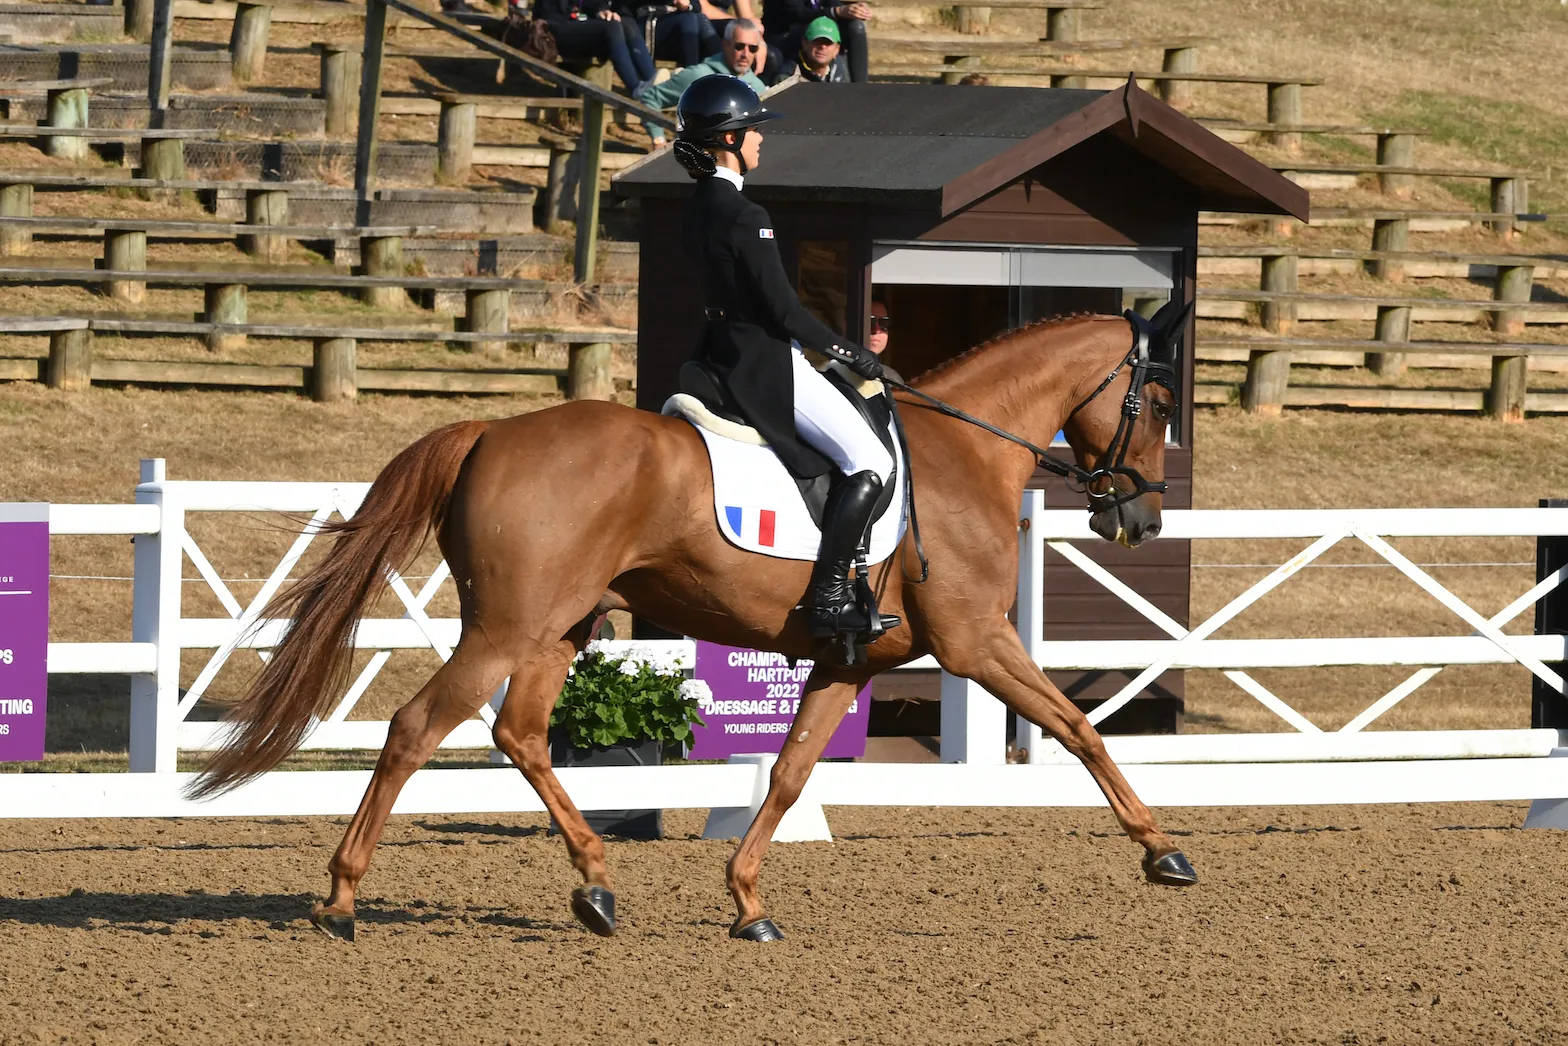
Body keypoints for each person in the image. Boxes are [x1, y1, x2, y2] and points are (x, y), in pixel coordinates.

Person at [673, 75, 897, 647]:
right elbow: (784, 313)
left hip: (717, 355)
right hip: (766, 360)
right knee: (871, 461)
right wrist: (854, 355)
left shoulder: (695, 207)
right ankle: (827, 597)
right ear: (729, 140)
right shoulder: (747, 214)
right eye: (753, 132)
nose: (760, 141)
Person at [640, 18, 768, 144]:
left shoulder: (758, 88)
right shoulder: (698, 75)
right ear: (725, 44)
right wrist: (658, 138)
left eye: (752, 48)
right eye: (739, 46)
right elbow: (650, 98)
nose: (745, 54)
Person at [534, 0, 656, 96]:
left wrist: (601, 11)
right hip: (553, 29)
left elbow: (593, 2)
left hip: (578, 24)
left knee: (626, 22)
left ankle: (656, 87)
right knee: (611, 28)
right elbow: (552, 12)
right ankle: (637, 90)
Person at [760, 0, 869, 83]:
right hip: (785, 34)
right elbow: (798, 12)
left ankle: (861, 88)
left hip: (810, 25)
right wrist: (837, 11)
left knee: (855, 27)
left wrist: (854, 9)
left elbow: (832, 2)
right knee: (818, 29)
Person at [618, 0, 720, 68]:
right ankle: (691, 79)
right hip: (644, 22)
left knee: (701, 20)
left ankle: (720, 75)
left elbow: (697, 6)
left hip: (677, 28)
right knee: (689, 19)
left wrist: (687, 4)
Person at [774, 16, 849, 83]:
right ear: (805, 43)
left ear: (837, 49)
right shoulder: (786, 77)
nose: (822, 47)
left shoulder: (841, 70)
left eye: (828, 43)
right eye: (818, 41)